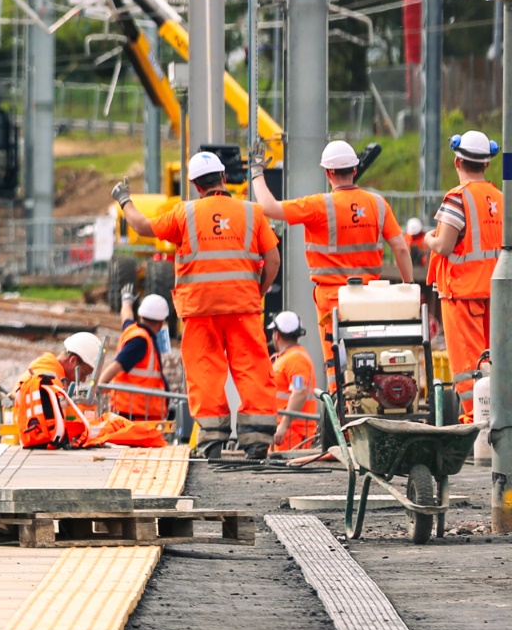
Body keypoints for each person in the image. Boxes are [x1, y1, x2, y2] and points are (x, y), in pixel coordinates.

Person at [116, 151, 282, 458]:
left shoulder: (184, 214)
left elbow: (140, 226)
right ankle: (256, 440)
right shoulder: (252, 212)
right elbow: (273, 259)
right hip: (242, 307)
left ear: (194, 184)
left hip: (199, 310)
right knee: (252, 370)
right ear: (223, 179)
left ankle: (211, 441)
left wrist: (125, 198)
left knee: (205, 372)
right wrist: (257, 291)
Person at [249, 139, 410, 385]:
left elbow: (268, 207)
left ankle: (341, 406)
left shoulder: (318, 206)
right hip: (372, 296)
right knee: (372, 353)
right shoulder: (378, 204)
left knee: (337, 359)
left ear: (328, 173)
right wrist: (408, 287)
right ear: (355, 170)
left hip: (333, 299)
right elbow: (400, 248)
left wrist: (256, 171)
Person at [428, 130, 503, 422]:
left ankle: (477, 421)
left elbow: (445, 244)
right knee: (494, 360)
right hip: (495, 294)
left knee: (468, 363)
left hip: (461, 294)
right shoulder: (500, 198)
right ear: (486, 164)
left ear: (457, 162)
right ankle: (498, 418)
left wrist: (428, 239)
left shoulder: (457, 198)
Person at [14, 331, 103, 450]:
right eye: (84, 373)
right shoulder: (49, 383)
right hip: (40, 447)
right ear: (73, 361)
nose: (82, 380)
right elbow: (53, 431)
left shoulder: (47, 372)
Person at [98, 292, 171, 422]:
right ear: (161, 323)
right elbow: (116, 366)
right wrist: (97, 389)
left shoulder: (133, 330)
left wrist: (126, 301)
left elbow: (126, 316)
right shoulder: (140, 341)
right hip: (135, 415)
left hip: (137, 413)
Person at [269, 311, 320, 452]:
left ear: (277, 335)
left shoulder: (296, 359)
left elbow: (299, 392)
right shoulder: (286, 358)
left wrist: (283, 425)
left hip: (292, 434)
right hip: (285, 433)